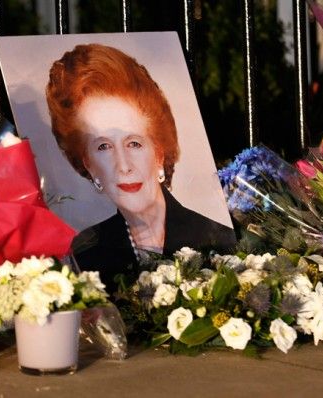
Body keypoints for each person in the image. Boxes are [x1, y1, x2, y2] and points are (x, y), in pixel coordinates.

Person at [46, 43, 236, 293]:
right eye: (103, 147)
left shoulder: (216, 240)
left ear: (159, 153)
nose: (123, 165)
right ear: (89, 165)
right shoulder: (84, 255)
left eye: (134, 143)